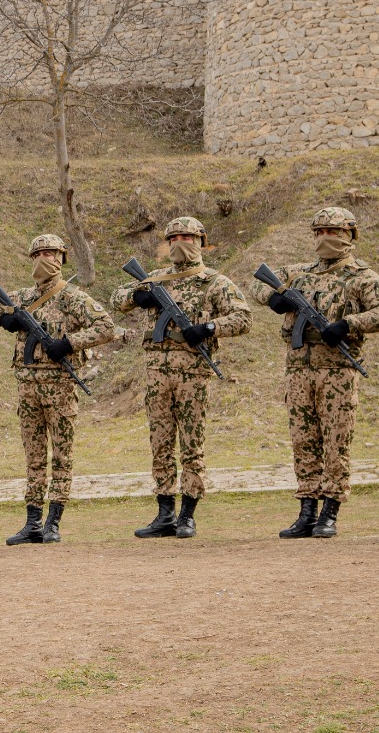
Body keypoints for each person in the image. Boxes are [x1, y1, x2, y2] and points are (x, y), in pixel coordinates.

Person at [247, 207, 379, 538]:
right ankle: (306, 511)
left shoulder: (363, 277)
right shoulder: (297, 273)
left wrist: (348, 324)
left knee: (336, 443)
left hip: (338, 371)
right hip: (299, 370)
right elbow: (256, 283)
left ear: (350, 235)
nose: (325, 238)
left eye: (333, 232)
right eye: (320, 232)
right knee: (303, 441)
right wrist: (274, 298)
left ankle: (330, 511)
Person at [110, 217, 252, 539]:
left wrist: (209, 328)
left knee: (192, 445)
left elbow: (243, 318)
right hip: (156, 376)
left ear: (200, 241)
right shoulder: (155, 278)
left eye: (186, 237)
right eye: (173, 238)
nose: (180, 242)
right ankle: (164, 514)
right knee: (160, 444)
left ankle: (187, 515)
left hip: (193, 375)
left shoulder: (214, 282)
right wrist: (137, 296)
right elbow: (117, 298)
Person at [0, 234, 116, 545]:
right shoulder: (22, 297)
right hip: (28, 387)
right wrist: (4, 318)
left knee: (62, 456)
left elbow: (106, 327)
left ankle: (53, 523)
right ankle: (32, 523)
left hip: (61, 386)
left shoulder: (74, 298)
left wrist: (69, 343)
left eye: (50, 253)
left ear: (61, 258)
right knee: (34, 456)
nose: (44, 259)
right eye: (38, 254)